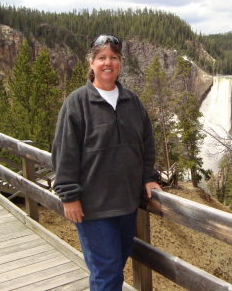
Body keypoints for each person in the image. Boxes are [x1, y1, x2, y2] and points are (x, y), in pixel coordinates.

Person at [51, 34, 162, 291]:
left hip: (127, 205)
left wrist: (149, 177)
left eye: (113, 57)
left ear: (120, 63)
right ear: (91, 63)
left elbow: (146, 144)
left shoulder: (132, 102)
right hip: (93, 209)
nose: (107, 63)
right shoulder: (77, 103)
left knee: (114, 270)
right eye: (101, 57)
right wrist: (68, 195)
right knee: (107, 275)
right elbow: (64, 152)